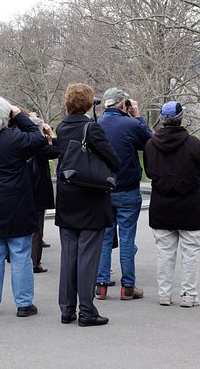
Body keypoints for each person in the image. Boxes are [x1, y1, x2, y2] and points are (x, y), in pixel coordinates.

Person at [0, 96, 48, 317]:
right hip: (17, 204)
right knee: (20, 253)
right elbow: (38, 138)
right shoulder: (13, 139)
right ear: (5, 116)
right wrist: (19, 115)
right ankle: (23, 303)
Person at [54, 83, 121, 327]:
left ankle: (66, 308)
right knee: (87, 257)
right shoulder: (92, 128)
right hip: (91, 198)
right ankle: (87, 311)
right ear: (89, 103)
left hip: (67, 197)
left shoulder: (61, 128)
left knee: (69, 256)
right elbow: (114, 159)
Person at [143, 101, 200, 307]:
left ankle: (164, 294)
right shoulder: (193, 143)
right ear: (181, 118)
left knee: (164, 253)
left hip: (162, 205)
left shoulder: (151, 144)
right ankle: (189, 295)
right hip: (190, 205)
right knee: (190, 254)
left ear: (162, 120)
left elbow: (149, 172)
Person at [94, 87, 152, 301]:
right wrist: (137, 116)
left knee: (105, 238)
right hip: (127, 189)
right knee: (127, 239)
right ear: (122, 104)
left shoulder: (96, 126)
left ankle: (101, 285)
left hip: (103, 190)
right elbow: (151, 143)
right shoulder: (131, 125)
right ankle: (128, 287)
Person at [26, 114, 60, 273]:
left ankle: (16, 257)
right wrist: (50, 135)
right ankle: (34, 261)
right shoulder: (39, 144)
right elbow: (57, 151)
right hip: (38, 188)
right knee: (37, 227)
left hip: (24, 189)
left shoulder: (21, 141)